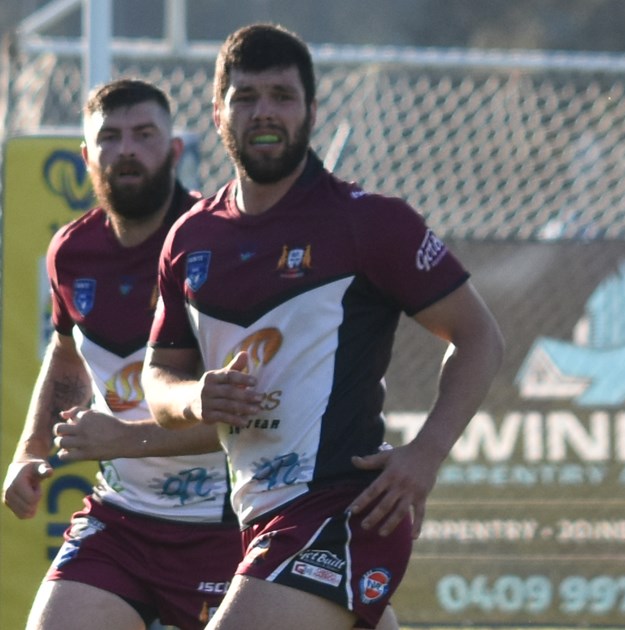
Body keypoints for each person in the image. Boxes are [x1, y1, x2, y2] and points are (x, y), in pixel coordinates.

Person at [142, 23, 503, 630]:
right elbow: (158, 379)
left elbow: (480, 337)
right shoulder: (189, 238)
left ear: (312, 110)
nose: (264, 112)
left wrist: (426, 455)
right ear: (218, 112)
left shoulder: (370, 222)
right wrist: (193, 397)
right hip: (259, 515)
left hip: (344, 507)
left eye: (282, 96)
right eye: (246, 97)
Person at [0, 78, 236, 630]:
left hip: (228, 523)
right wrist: (29, 450)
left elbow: (244, 413)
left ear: (173, 150)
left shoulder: (218, 242)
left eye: (144, 134)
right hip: (122, 520)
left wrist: (124, 439)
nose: (126, 150)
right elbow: (66, 357)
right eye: (110, 137)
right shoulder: (71, 251)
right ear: (86, 156)